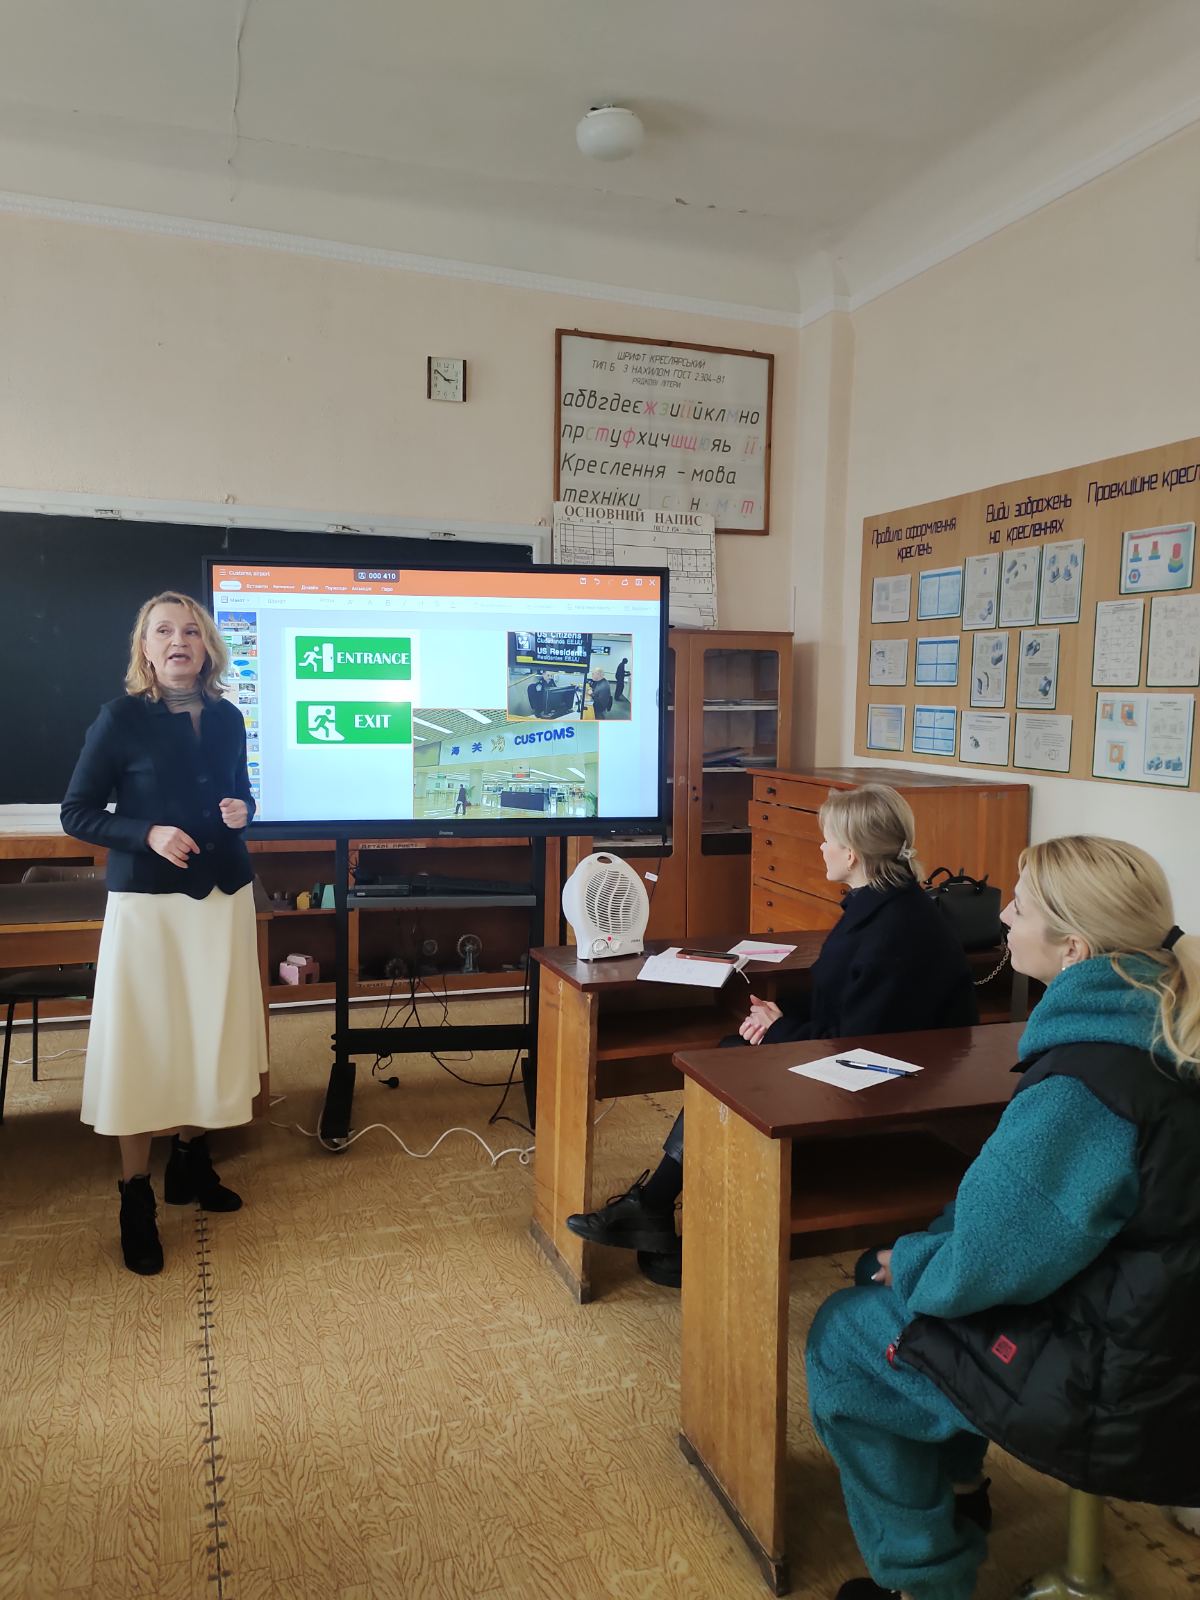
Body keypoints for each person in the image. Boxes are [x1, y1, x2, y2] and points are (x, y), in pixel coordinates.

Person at [805, 835, 1200, 1600]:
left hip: (1118, 1382)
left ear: (1075, 948)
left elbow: (979, 1268)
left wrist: (906, 1262)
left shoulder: (1086, 1085)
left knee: (846, 1334)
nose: (1004, 918)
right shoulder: (1163, 1026)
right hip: (1162, 1339)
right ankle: (960, 1489)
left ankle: (924, 1582)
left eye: (1019, 906)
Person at [566, 784, 976, 1286]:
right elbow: (843, 998)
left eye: (826, 839)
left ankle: (669, 1214)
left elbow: (857, 1044)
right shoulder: (883, 904)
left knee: (730, 1069)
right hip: (876, 1054)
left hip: (885, 1079)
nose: (820, 847)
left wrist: (782, 1028)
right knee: (732, 1053)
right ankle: (653, 1207)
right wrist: (780, 1016)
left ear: (852, 853)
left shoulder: (893, 928)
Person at [61, 592, 267, 1276]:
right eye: (163, 631)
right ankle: (135, 1195)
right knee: (146, 1040)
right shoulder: (120, 718)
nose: (179, 640)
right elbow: (77, 812)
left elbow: (240, 793)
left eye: (191, 631)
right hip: (150, 905)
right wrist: (146, 832)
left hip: (223, 897)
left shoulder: (230, 717)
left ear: (207, 647)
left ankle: (188, 1160)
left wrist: (243, 809)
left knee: (210, 1029)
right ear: (145, 649)